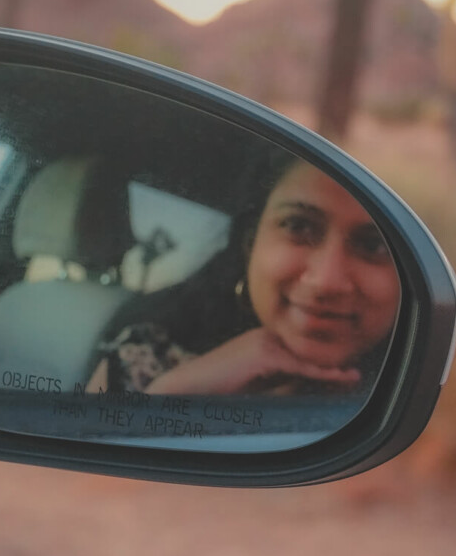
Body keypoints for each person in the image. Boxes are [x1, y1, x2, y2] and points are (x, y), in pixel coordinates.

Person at [87, 160, 401, 396]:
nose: (326, 281)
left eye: (374, 245)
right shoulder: (142, 356)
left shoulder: (408, 388)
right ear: (251, 243)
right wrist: (173, 393)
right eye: (298, 226)